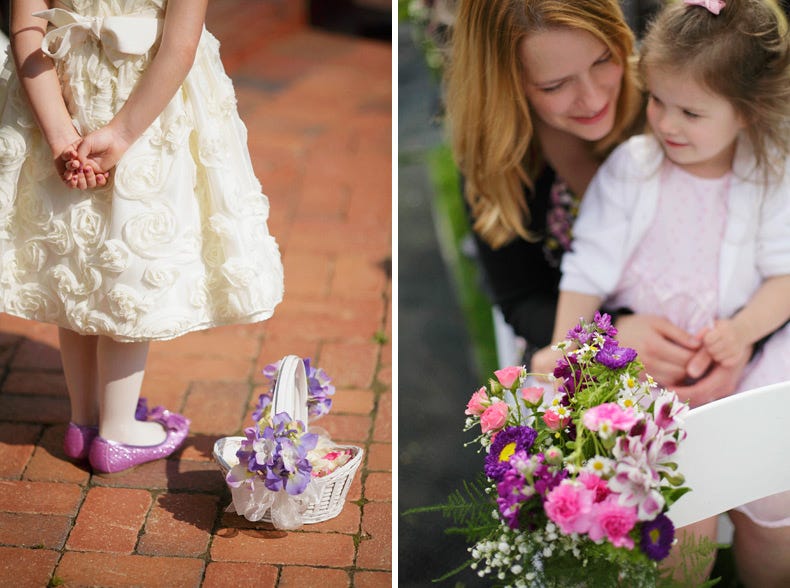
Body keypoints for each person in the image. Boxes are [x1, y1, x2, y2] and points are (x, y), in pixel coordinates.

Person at [531, 0, 790, 584]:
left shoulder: (771, 171)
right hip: (651, 375)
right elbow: (586, 269)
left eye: (691, 113)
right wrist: (564, 353)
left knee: (777, 506)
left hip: (742, 369)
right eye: (657, 102)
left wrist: (744, 331)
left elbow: (785, 275)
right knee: (674, 517)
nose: (667, 124)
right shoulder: (634, 167)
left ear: (746, 113)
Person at [1, 0, 284, 473]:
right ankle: (118, 431)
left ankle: (83, 421)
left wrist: (59, 135)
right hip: (147, 104)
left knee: (78, 255)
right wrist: (123, 134)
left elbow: (26, 25)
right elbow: (180, 42)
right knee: (127, 259)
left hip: (63, 90)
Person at [442, 0, 752, 401]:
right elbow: (520, 298)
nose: (591, 99)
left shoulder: (673, 105)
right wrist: (607, 336)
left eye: (604, 60)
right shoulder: (497, 160)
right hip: (581, 352)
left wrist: (744, 336)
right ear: (507, 82)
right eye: (555, 86)